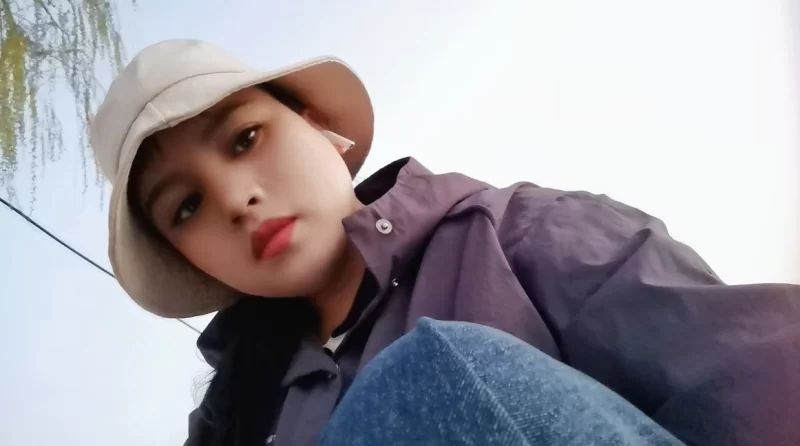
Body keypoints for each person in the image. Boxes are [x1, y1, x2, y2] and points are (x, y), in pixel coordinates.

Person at [90, 39, 800, 446]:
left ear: (317, 127)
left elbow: (746, 364)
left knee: (424, 376)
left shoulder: (518, 234)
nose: (233, 200)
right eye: (186, 207)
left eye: (246, 138)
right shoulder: (235, 417)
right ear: (189, 257)